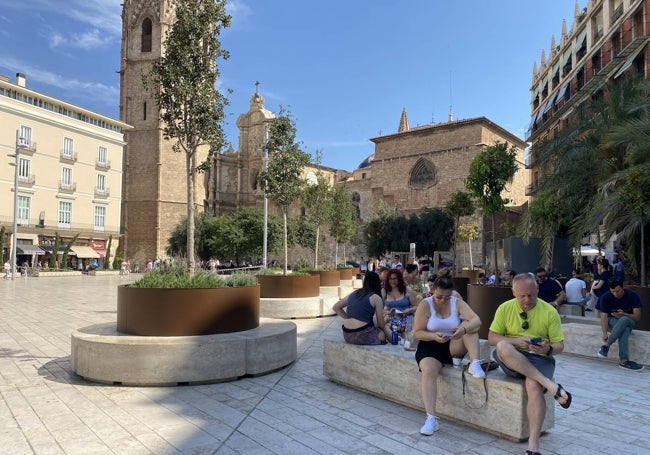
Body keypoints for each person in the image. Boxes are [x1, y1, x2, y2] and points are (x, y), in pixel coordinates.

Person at [488, 273, 571, 455]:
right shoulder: (504, 308)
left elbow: (560, 345)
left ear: (537, 290)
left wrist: (547, 349)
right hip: (512, 358)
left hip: (540, 358)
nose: (526, 300)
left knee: (533, 386)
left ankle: (533, 447)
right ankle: (550, 385)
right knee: (503, 345)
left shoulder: (549, 311)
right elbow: (492, 338)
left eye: (531, 295)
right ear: (513, 292)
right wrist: (517, 341)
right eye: (522, 296)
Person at [414, 275, 485, 435]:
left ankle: (475, 363)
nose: (443, 300)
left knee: (469, 325)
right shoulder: (425, 304)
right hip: (430, 345)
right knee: (429, 371)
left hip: (453, 343)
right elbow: (418, 332)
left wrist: (462, 329)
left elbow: (477, 320)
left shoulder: (456, 302)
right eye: (439, 297)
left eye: (447, 297)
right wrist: (433, 336)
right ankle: (431, 418)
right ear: (433, 291)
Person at [596, 279, 644, 371]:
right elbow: (604, 317)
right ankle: (624, 361)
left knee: (624, 320)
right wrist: (604, 333)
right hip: (612, 321)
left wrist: (624, 314)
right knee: (624, 330)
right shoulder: (605, 297)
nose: (615, 294)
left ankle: (606, 345)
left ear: (623, 287)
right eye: (612, 291)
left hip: (629, 320)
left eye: (617, 291)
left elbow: (637, 317)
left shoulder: (632, 295)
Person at [332, 271, 387, 345]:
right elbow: (381, 325)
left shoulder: (354, 293)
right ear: (377, 283)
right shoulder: (376, 298)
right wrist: (386, 319)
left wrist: (349, 318)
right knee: (382, 334)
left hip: (347, 334)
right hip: (363, 335)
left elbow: (336, 307)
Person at [382, 269, 419, 339]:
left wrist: (409, 310)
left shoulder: (407, 290)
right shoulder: (384, 291)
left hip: (406, 318)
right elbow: (379, 308)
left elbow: (417, 306)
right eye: (390, 279)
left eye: (395, 278)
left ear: (399, 279)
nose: (393, 281)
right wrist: (387, 312)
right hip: (390, 318)